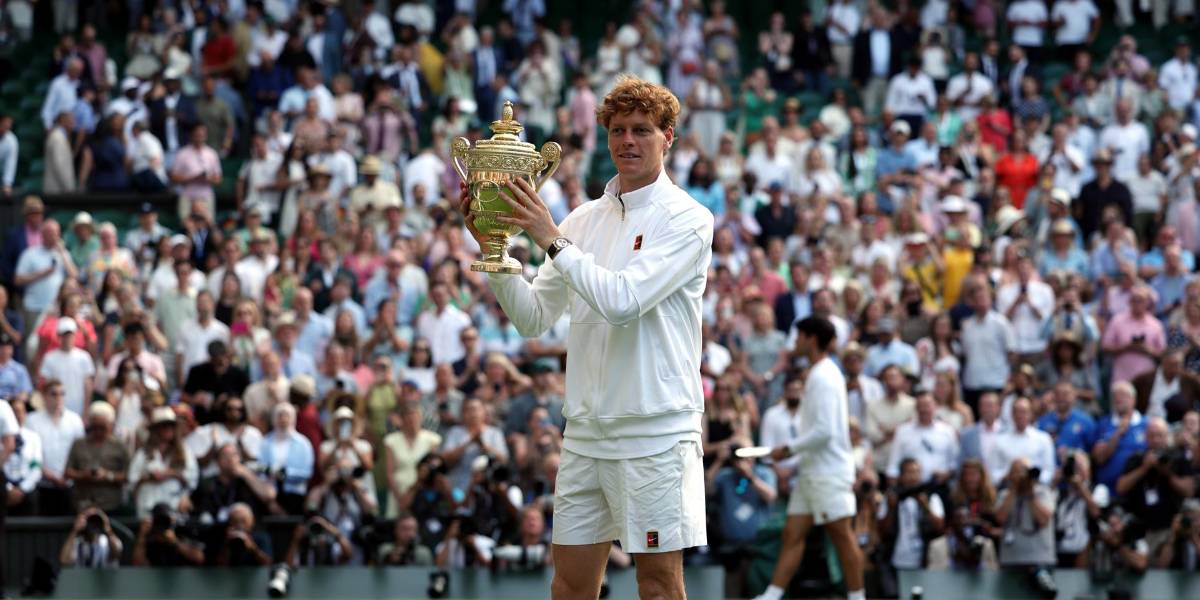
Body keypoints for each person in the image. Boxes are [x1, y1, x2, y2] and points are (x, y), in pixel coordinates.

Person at [459, 76, 713, 600]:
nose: (627, 141)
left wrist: (550, 239)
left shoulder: (689, 219)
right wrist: (496, 252)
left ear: (669, 137)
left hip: (655, 434)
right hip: (585, 435)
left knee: (660, 588)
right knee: (570, 588)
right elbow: (532, 318)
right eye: (618, 130)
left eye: (642, 130)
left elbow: (622, 302)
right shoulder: (583, 219)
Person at [756, 317, 864, 600]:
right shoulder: (818, 373)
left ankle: (858, 597)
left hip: (829, 473)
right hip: (811, 472)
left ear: (811, 339)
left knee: (841, 536)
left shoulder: (825, 376)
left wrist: (788, 449)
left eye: (799, 336)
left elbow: (825, 432)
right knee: (792, 533)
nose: (795, 342)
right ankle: (772, 595)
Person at [63, 401, 129, 512]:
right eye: (95, 427)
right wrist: (83, 475)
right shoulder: (79, 444)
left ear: (111, 425)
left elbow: (128, 476)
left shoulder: (120, 446)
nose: (98, 431)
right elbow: (67, 472)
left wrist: (108, 475)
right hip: (82, 502)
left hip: (110, 504)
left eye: (102, 427)